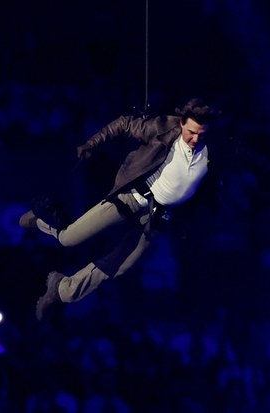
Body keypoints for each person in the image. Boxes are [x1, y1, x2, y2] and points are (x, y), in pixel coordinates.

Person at [19, 98, 222, 320]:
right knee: (68, 238)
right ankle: (40, 220)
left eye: (201, 134)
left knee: (121, 266)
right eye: (192, 132)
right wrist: (92, 144)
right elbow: (124, 124)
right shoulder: (164, 129)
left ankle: (63, 288)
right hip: (130, 199)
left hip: (154, 218)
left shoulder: (211, 151)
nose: (195, 139)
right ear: (182, 123)